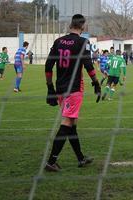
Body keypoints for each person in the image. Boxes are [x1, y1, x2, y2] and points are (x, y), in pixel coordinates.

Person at [44, 14, 101, 172]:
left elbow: (48, 66)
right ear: (82, 26)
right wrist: (96, 82)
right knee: (67, 123)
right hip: (74, 89)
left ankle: (81, 158)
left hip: (60, 88)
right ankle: (51, 161)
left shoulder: (58, 41)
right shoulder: (83, 42)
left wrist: (50, 88)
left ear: (71, 24)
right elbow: (88, 64)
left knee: (72, 124)